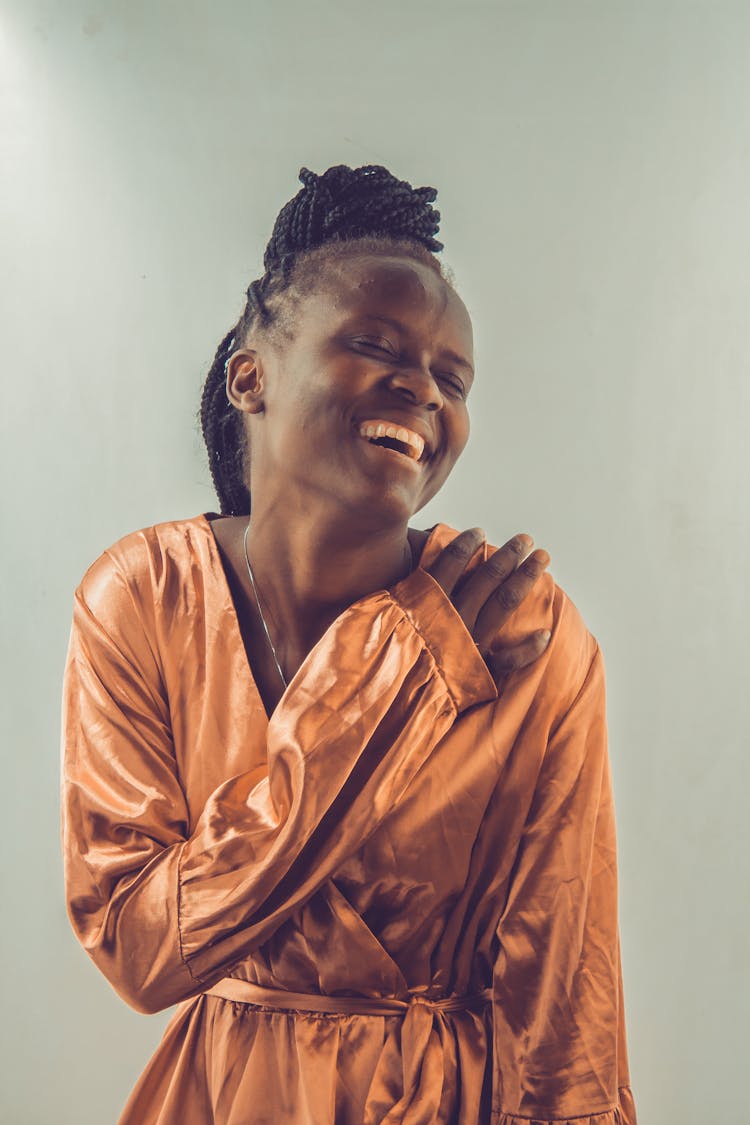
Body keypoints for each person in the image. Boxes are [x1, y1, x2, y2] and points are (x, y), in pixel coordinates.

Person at [61, 164, 637, 1124]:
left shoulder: (527, 634)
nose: (421, 387)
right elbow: (138, 946)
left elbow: (569, 1011)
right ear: (252, 375)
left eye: (453, 377)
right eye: (375, 343)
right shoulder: (141, 598)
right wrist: (401, 673)